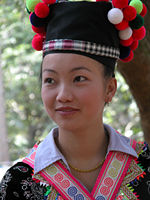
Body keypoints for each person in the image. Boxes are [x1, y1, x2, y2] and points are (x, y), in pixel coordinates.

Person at [0, 0, 150, 199]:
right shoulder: (18, 182)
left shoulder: (145, 165)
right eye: (50, 80)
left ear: (110, 88)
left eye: (79, 78)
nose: (63, 95)